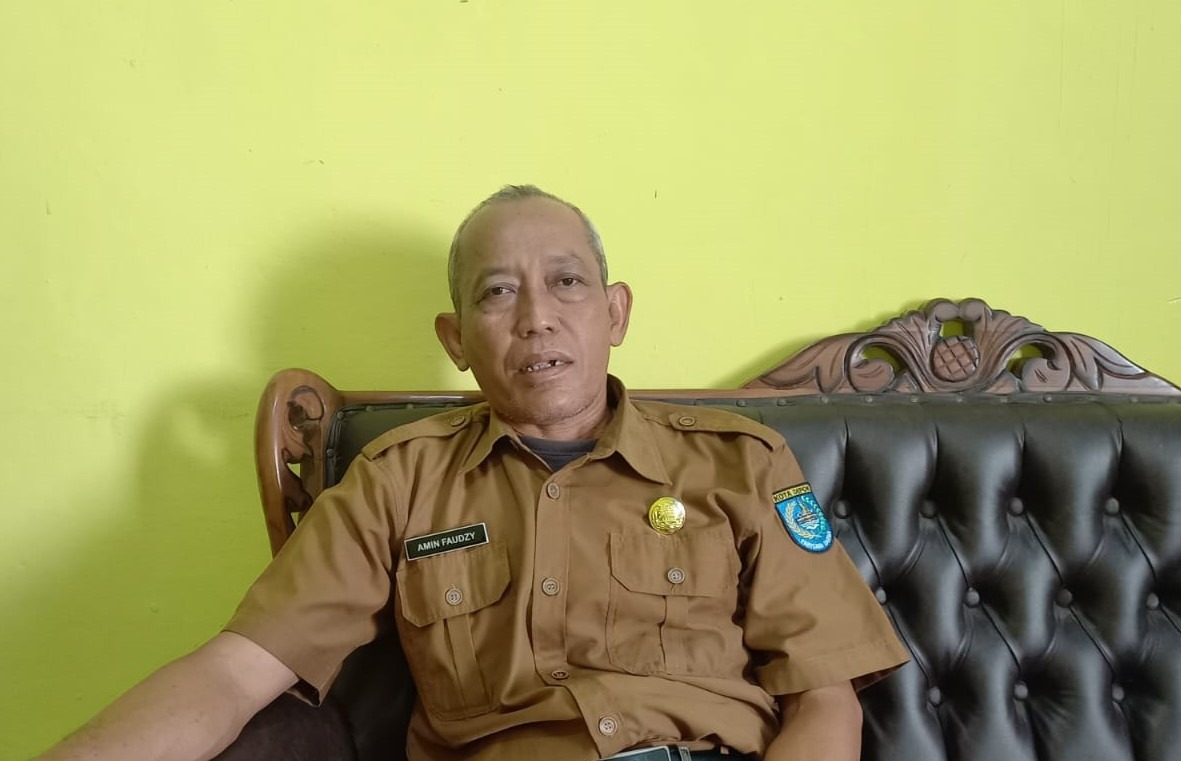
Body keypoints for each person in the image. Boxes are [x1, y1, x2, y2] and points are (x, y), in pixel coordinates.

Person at [37, 185, 908, 761]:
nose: (535, 318)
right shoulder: (397, 480)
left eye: (566, 282)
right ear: (455, 339)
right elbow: (234, 672)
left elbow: (824, 702)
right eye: (497, 292)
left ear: (614, 313)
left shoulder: (738, 462)